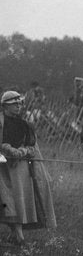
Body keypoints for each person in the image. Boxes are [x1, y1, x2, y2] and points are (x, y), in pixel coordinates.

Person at [0, 90, 56, 245]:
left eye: (19, 103)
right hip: (3, 168)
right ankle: (17, 235)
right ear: (5, 106)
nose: (18, 106)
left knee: (18, 200)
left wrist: (22, 151)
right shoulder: (1, 122)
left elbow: (32, 146)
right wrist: (7, 149)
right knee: (7, 200)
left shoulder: (25, 124)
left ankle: (17, 234)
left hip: (21, 168)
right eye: (14, 104)